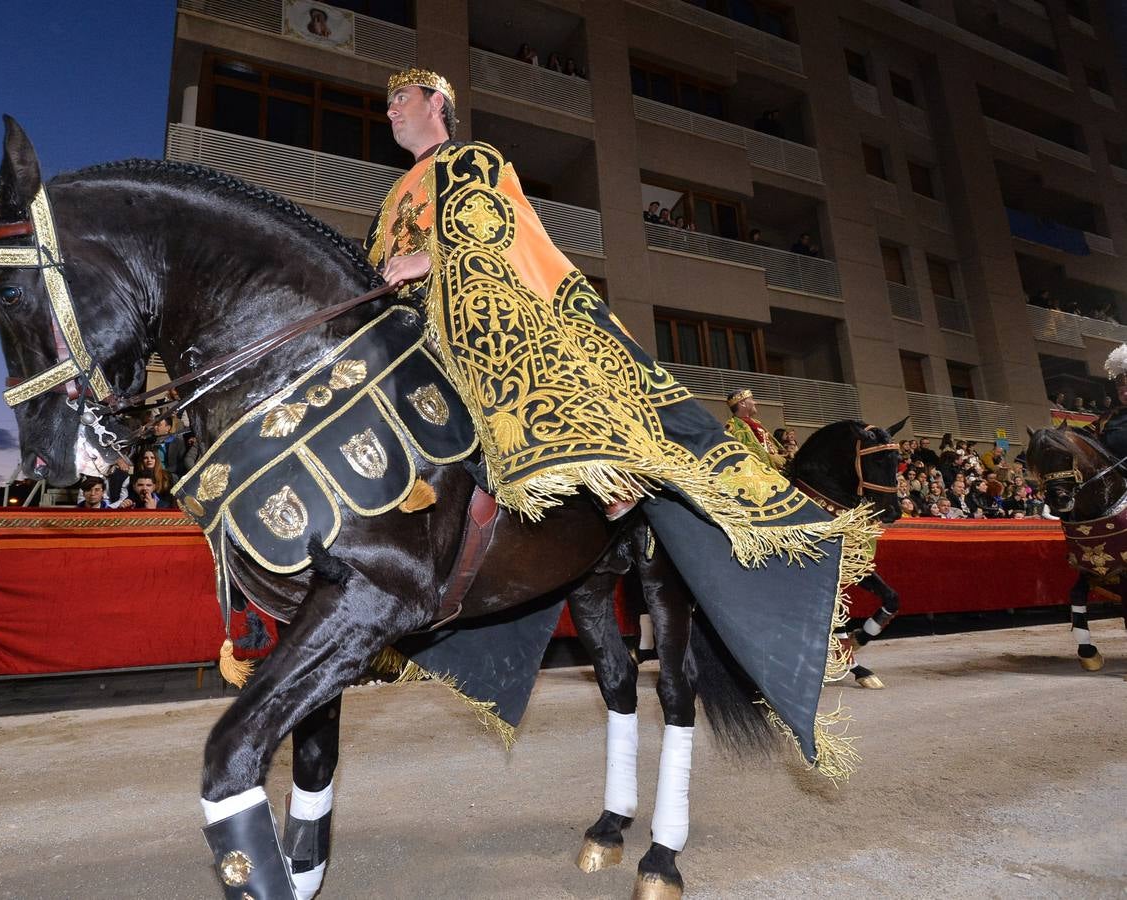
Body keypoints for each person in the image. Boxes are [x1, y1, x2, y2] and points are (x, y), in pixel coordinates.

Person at [366, 68, 872, 785]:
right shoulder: (390, 195)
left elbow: (496, 233)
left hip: (476, 311)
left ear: (436, 105)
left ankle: (612, 474)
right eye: (387, 102)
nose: (389, 110)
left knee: (514, 374)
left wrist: (433, 257)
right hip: (411, 331)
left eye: (400, 98)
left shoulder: (469, 160)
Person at [724, 389, 786, 471]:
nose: (755, 403)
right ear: (742, 403)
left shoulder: (755, 422)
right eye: (751, 399)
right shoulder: (733, 428)